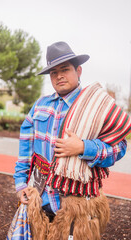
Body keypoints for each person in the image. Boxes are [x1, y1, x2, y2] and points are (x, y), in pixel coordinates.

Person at [7, 41, 130, 240]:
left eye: (64, 69)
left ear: (78, 70)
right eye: (53, 73)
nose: (59, 76)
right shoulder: (39, 106)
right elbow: (25, 152)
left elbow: (119, 148)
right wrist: (20, 184)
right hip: (41, 198)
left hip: (78, 203)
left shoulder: (97, 106)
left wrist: (83, 147)